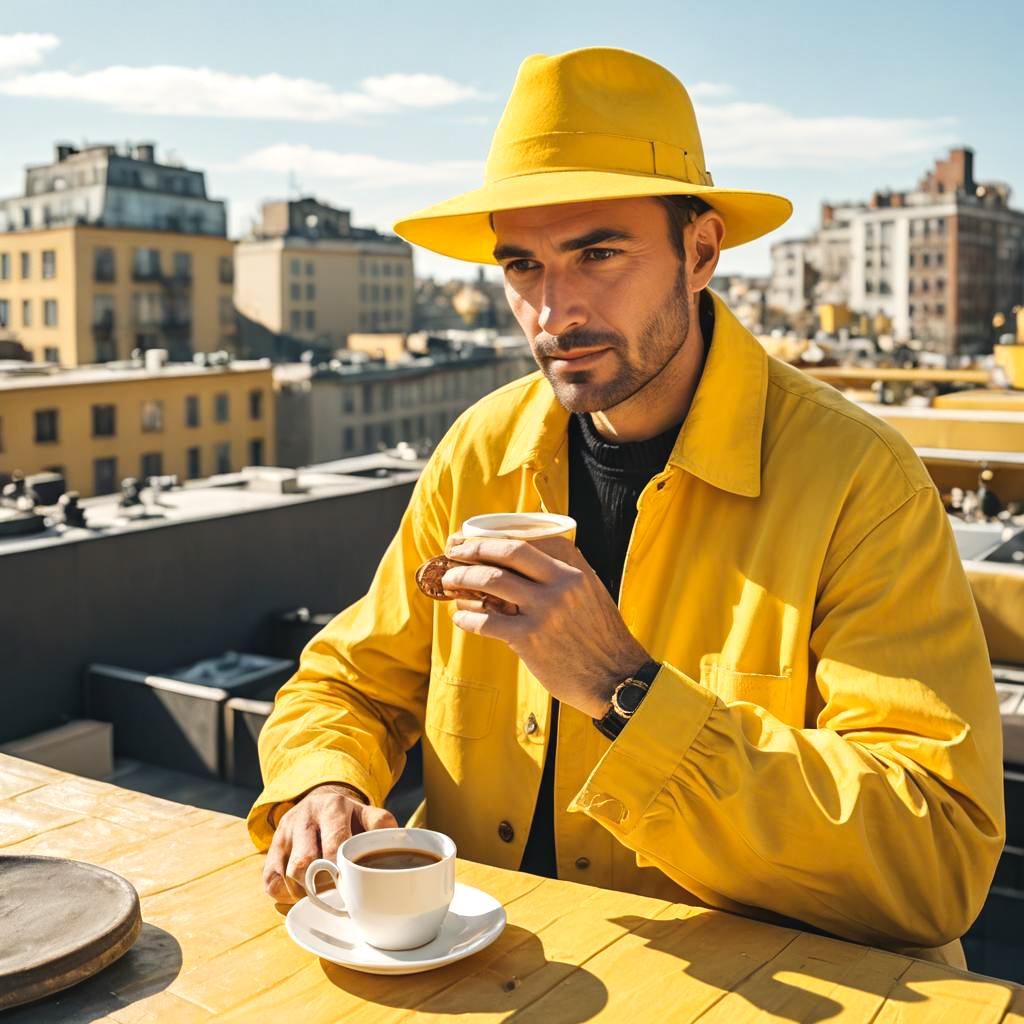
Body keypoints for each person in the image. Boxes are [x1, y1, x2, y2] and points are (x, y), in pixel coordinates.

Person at [248, 47, 1004, 965]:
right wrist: (321, 784)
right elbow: (351, 682)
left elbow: (935, 856)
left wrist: (626, 693)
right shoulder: (482, 449)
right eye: (521, 265)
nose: (552, 312)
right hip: (479, 977)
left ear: (701, 251)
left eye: (598, 253)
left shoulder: (858, 480)